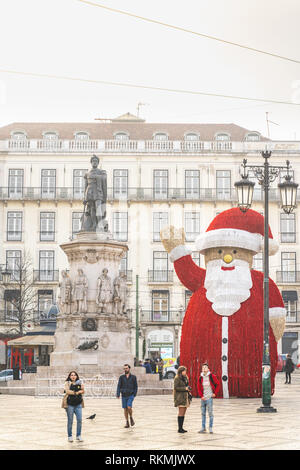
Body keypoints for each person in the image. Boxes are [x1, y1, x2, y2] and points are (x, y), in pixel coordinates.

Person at [197, 363, 220, 434]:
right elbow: (198, 388)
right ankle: (203, 428)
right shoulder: (200, 377)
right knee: (203, 414)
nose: (204, 369)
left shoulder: (212, 376)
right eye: (203, 368)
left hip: (209, 398)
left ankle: (210, 427)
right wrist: (201, 396)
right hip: (203, 398)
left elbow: (218, 384)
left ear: (208, 369)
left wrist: (215, 393)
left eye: (205, 367)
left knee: (210, 413)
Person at [65, 371, 85, 442]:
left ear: (76, 376)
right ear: (69, 376)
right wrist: (76, 392)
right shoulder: (67, 383)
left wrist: (80, 390)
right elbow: (67, 391)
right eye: (71, 375)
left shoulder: (80, 382)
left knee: (79, 420)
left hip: (78, 404)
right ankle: (70, 436)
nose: (73, 376)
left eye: (74, 375)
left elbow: (83, 391)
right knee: (70, 421)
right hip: (70, 404)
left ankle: (78, 435)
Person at [116, 364, 138, 428]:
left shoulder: (133, 377)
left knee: (129, 407)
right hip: (124, 395)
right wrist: (118, 394)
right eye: (124, 368)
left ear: (129, 369)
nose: (125, 369)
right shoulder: (121, 377)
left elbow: (136, 386)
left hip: (130, 395)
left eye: (126, 368)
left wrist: (134, 394)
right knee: (125, 409)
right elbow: (119, 386)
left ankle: (131, 417)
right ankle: (127, 422)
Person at [173, 365, 191, 433]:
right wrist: (185, 388)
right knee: (181, 412)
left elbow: (185, 385)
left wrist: (188, 388)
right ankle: (179, 428)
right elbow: (176, 388)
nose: (185, 372)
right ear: (181, 371)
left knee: (184, 413)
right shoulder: (177, 378)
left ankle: (182, 427)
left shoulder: (185, 377)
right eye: (184, 371)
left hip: (185, 397)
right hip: (180, 397)